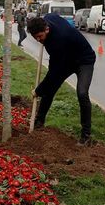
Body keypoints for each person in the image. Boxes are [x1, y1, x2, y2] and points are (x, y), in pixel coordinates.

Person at [27, 13, 96, 144]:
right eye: (36, 38)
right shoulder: (48, 18)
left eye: (40, 37)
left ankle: (86, 135)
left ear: (46, 29)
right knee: (50, 89)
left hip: (84, 60)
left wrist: (38, 90)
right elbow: (52, 15)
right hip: (66, 61)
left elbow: (53, 73)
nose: (39, 40)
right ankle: (39, 121)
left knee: (82, 93)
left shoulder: (58, 40)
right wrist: (44, 89)